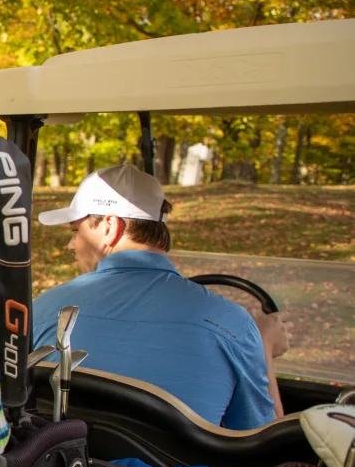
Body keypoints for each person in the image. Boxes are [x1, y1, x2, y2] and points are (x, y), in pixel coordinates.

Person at [32, 163, 291, 430]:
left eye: (76, 231)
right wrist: (264, 347)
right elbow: (262, 444)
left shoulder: (40, 311)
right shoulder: (232, 324)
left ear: (110, 226)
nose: (71, 245)